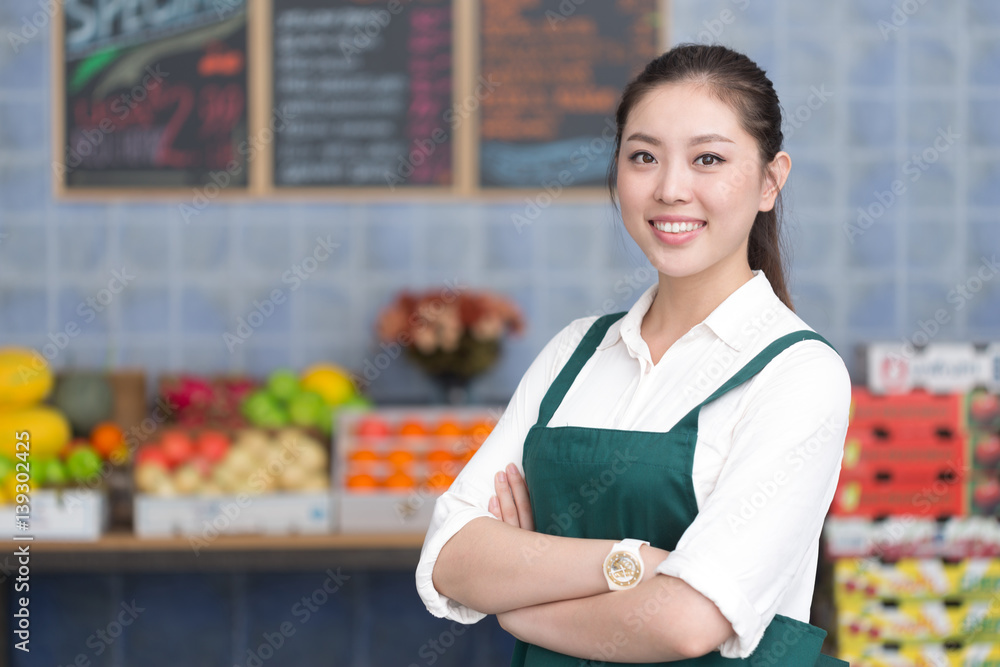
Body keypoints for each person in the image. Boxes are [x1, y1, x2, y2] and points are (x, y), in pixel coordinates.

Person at [415, 44, 852, 665]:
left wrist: (516, 600)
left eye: (708, 159)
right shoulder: (575, 352)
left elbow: (685, 622)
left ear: (769, 181)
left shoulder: (799, 374)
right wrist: (636, 563)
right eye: (644, 157)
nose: (671, 189)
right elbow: (450, 558)